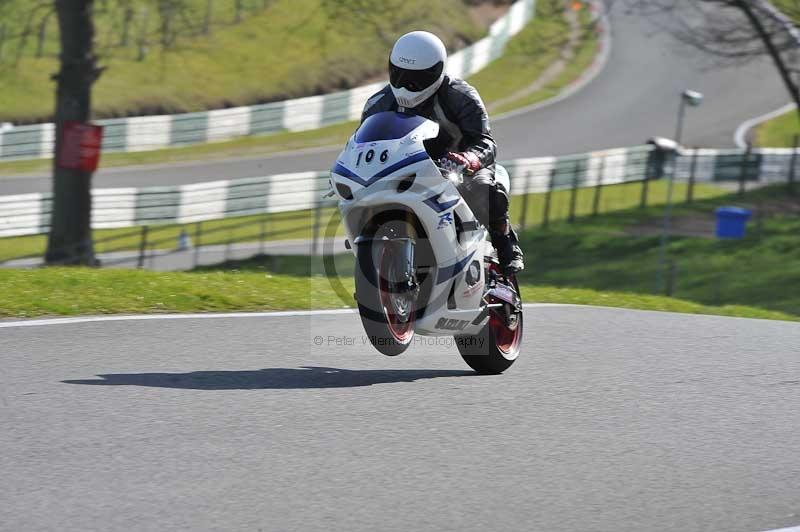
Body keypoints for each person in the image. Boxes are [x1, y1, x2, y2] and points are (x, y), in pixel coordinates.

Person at [361, 30, 524, 273]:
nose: (407, 85)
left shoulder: (460, 95)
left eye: (417, 79)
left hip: (457, 170)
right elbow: (363, 145)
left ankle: (505, 241)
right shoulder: (378, 104)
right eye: (400, 75)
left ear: (437, 72)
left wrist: (468, 159)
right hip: (404, 172)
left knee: (483, 188)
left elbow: (485, 142)